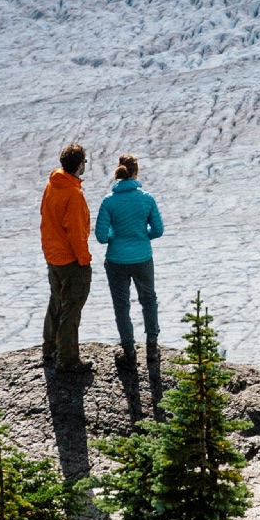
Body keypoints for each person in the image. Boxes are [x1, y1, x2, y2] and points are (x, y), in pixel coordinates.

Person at [93, 153, 165, 368]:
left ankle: (129, 351)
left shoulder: (109, 202)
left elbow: (101, 236)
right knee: (148, 299)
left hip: (116, 260)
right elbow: (158, 230)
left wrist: (118, 238)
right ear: (136, 172)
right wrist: (142, 237)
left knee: (121, 304)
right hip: (142, 257)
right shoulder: (146, 198)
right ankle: (152, 346)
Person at [39, 143, 94, 375]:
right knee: (71, 309)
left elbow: (45, 216)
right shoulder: (74, 194)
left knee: (56, 302)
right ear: (79, 165)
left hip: (53, 256)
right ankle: (68, 359)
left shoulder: (52, 184)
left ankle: (49, 349)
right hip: (71, 260)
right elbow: (77, 233)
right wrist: (84, 260)